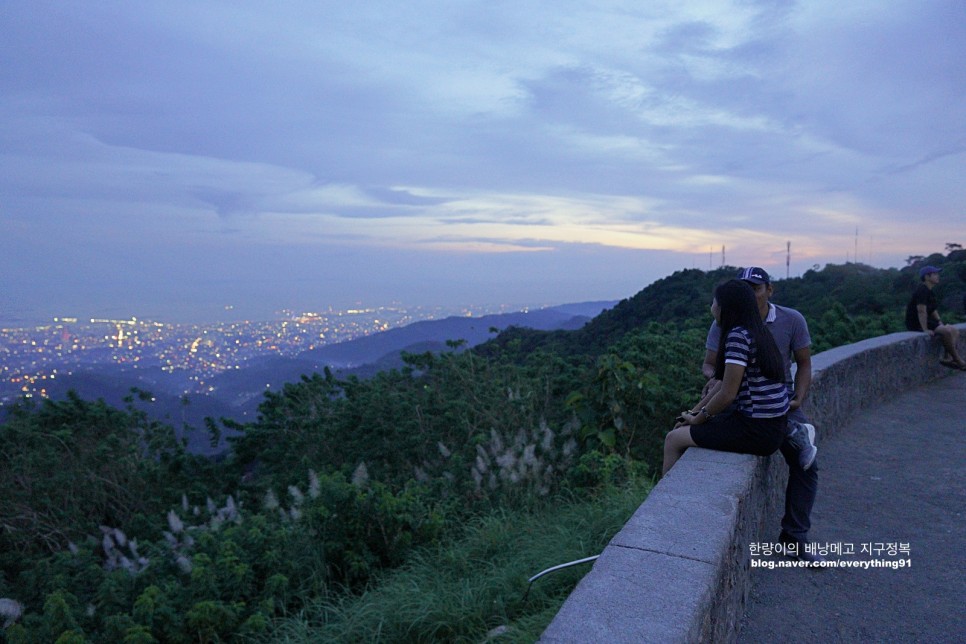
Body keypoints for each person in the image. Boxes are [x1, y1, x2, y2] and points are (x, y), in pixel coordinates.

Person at [701, 267, 822, 563]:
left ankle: (795, 537)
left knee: (806, 466)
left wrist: (800, 395)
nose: (750, 293)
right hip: (737, 399)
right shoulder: (725, 322)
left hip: (777, 402)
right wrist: (720, 379)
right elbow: (708, 364)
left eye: (756, 288)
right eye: (745, 288)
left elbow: (804, 363)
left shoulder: (791, 320)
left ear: (770, 290)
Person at [663, 279, 789, 480]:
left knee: (673, 439)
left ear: (725, 308)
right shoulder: (757, 330)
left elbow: (728, 393)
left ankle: (665, 502)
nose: (711, 307)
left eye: (714, 302)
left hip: (757, 430)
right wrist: (692, 413)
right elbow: (722, 382)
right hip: (772, 426)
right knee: (685, 428)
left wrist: (697, 418)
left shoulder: (738, 336)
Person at [904, 266, 966, 370]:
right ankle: (958, 360)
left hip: (928, 320)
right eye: (935, 274)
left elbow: (933, 310)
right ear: (927, 277)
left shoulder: (930, 291)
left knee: (954, 330)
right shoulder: (922, 290)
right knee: (946, 332)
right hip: (917, 322)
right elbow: (921, 310)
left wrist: (939, 322)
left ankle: (948, 357)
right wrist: (925, 329)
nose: (938, 276)